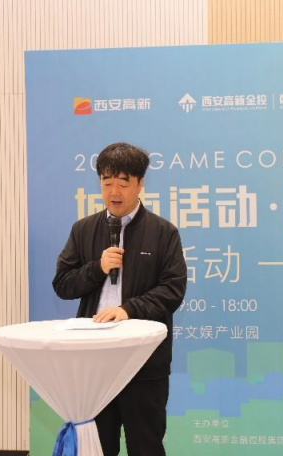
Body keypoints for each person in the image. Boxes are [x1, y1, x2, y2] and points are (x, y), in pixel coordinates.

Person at [52, 142, 187, 455]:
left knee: (146, 446)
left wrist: (128, 309)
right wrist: (96, 268)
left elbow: (173, 290)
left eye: (123, 183)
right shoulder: (83, 230)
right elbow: (63, 284)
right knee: (98, 447)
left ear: (140, 184)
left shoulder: (163, 232)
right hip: (93, 362)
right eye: (107, 182)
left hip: (143, 361)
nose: (114, 192)